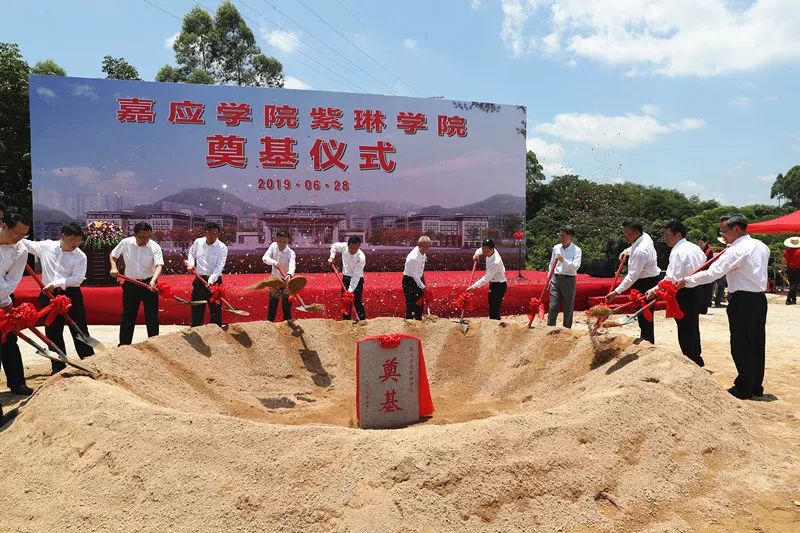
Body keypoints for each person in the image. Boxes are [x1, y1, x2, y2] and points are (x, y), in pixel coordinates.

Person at [678, 215, 769, 399]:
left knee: (741, 343)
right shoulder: (761, 246)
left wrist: (686, 281)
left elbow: (713, 273)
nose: (723, 236)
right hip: (759, 299)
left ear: (736, 229)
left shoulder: (735, 251)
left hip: (742, 300)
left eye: (724, 232)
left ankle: (744, 387)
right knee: (756, 343)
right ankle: (755, 385)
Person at [23, 222, 95, 374]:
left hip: (71, 295)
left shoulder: (80, 256)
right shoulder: (46, 247)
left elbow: (77, 279)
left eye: (79, 240)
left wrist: (55, 283)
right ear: (62, 236)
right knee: (53, 332)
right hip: (48, 296)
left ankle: (89, 363)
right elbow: (25, 244)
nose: (76, 244)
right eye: (72, 240)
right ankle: (58, 367)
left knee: (79, 329)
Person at [651, 220, 706, 366]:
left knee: (685, 327)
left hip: (684, 292)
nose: (665, 238)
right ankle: (696, 357)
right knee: (693, 325)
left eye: (668, 235)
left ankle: (690, 359)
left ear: (678, 235)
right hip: (697, 290)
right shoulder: (695, 248)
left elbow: (671, 278)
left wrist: (653, 290)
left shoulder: (678, 251)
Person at [606, 219, 662, 344]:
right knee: (642, 315)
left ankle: (648, 342)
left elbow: (632, 276)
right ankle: (645, 339)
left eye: (628, 235)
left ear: (637, 233)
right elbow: (633, 247)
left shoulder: (640, 251)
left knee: (645, 314)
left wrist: (616, 292)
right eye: (624, 234)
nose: (626, 237)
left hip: (645, 283)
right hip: (646, 279)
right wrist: (627, 251)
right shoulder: (645, 236)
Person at [110, 222, 164, 346]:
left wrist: (153, 280)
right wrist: (114, 267)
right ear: (135, 235)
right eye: (141, 237)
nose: (144, 240)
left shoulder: (154, 246)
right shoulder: (126, 243)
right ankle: (124, 345)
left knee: (152, 316)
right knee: (128, 315)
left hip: (149, 284)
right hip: (131, 284)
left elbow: (159, 265)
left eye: (147, 237)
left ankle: (154, 344)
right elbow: (113, 255)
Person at [0, 212, 33, 396]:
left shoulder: (21, 250)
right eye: (16, 234)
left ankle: (17, 383)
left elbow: (13, 280)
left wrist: (4, 300)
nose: (19, 239)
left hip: (4, 303)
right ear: (4, 226)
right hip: (3, 300)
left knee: (10, 343)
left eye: (23, 235)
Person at [187, 222, 228, 327]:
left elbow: (220, 266)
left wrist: (211, 280)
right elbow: (191, 253)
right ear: (205, 233)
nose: (211, 235)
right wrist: (191, 264)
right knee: (197, 308)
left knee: (215, 311)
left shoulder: (222, 247)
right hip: (200, 280)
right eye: (208, 233)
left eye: (214, 233)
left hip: (215, 283)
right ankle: (196, 329)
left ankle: (216, 333)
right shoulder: (198, 242)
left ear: (218, 233)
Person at [547, 226, 582, 328]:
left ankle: (567, 329)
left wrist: (563, 260)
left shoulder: (577, 250)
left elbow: (575, 266)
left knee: (568, 306)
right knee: (553, 305)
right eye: (560, 235)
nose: (561, 237)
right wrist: (549, 278)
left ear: (570, 236)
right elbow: (551, 264)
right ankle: (550, 327)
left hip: (569, 280)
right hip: (556, 278)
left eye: (563, 235)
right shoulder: (556, 247)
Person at [467, 238, 507, 320]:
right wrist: (476, 254)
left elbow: (486, 278)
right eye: (483, 250)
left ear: (492, 249)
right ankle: (493, 323)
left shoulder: (496, 262)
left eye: (486, 251)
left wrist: (473, 287)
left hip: (500, 285)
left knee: (494, 307)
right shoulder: (489, 250)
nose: (484, 253)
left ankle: (495, 324)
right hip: (493, 284)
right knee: (491, 305)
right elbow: (479, 250)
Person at [329, 235, 366, 321]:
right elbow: (334, 246)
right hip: (346, 278)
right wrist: (332, 257)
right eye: (351, 248)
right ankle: (346, 322)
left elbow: (356, 276)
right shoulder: (344, 247)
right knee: (345, 301)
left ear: (359, 246)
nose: (352, 251)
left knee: (357, 301)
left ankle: (361, 320)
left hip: (357, 280)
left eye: (355, 249)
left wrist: (349, 291)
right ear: (348, 245)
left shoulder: (361, 258)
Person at [262, 230, 296, 322]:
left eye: (284, 242)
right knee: (273, 304)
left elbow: (292, 265)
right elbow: (265, 258)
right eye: (280, 241)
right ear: (276, 239)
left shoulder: (291, 253)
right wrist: (273, 262)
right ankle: (270, 324)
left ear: (288, 241)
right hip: (274, 280)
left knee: (286, 305)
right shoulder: (273, 246)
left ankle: (287, 324)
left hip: (286, 281)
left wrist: (289, 274)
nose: (281, 244)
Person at [402, 236, 431, 320]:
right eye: (424, 246)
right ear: (419, 245)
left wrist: (423, 282)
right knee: (411, 301)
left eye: (427, 246)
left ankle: (418, 318)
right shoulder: (414, 257)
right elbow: (415, 275)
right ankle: (409, 321)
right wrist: (423, 287)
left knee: (420, 300)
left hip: (419, 277)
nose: (426, 248)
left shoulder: (423, 252)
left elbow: (420, 270)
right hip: (409, 280)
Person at [696, 236, 715, 314]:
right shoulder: (697, 250)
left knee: (706, 292)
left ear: (705, 243)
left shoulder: (708, 251)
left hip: (706, 273)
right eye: (699, 242)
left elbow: (709, 263)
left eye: (701, 243)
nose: (700, 244)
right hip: (699, 273)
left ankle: (704, 309)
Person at [782, 236, 800, 305]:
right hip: (798, 269)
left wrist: (783, 269)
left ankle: (794, 300)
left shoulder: (786, 251)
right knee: (795, 285)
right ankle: (788, 299)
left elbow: (783, 261)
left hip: (789, 269)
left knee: (792, 285)